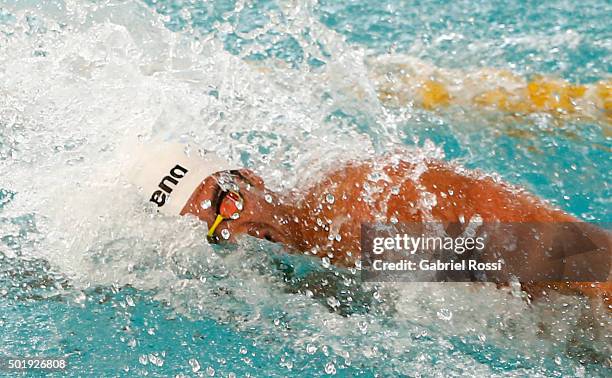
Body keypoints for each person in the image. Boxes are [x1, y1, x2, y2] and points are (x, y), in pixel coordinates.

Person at [127, 143, 611, 307]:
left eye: (227, 203)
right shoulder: (291, 276)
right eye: (214, 232)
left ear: (249, 178)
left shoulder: (359, 213)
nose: (237, 229)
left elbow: (580, 255)